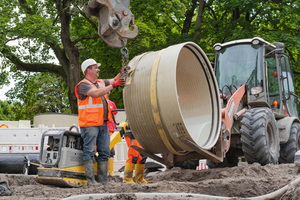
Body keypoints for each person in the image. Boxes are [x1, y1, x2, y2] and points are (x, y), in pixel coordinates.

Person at [75, 58, 125, 186]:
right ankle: (91, 181)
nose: (98, 69)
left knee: (105, 152)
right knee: (89, 151)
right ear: (88, 70)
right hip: (89, 124)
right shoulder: (83, 85)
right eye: (95, 67)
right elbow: (96, 93)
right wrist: (113, 85)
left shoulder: (100, 82)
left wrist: (122, 72)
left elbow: (114, 80)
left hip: (102, 123)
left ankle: (103, 181)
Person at [106, 90, 118, 177]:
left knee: (111, 150)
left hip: (110, 128)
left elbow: (114, 116)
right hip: (102, 128)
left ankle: (111, 172)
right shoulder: (100, 103)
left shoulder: (111, 104)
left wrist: (116, 124)